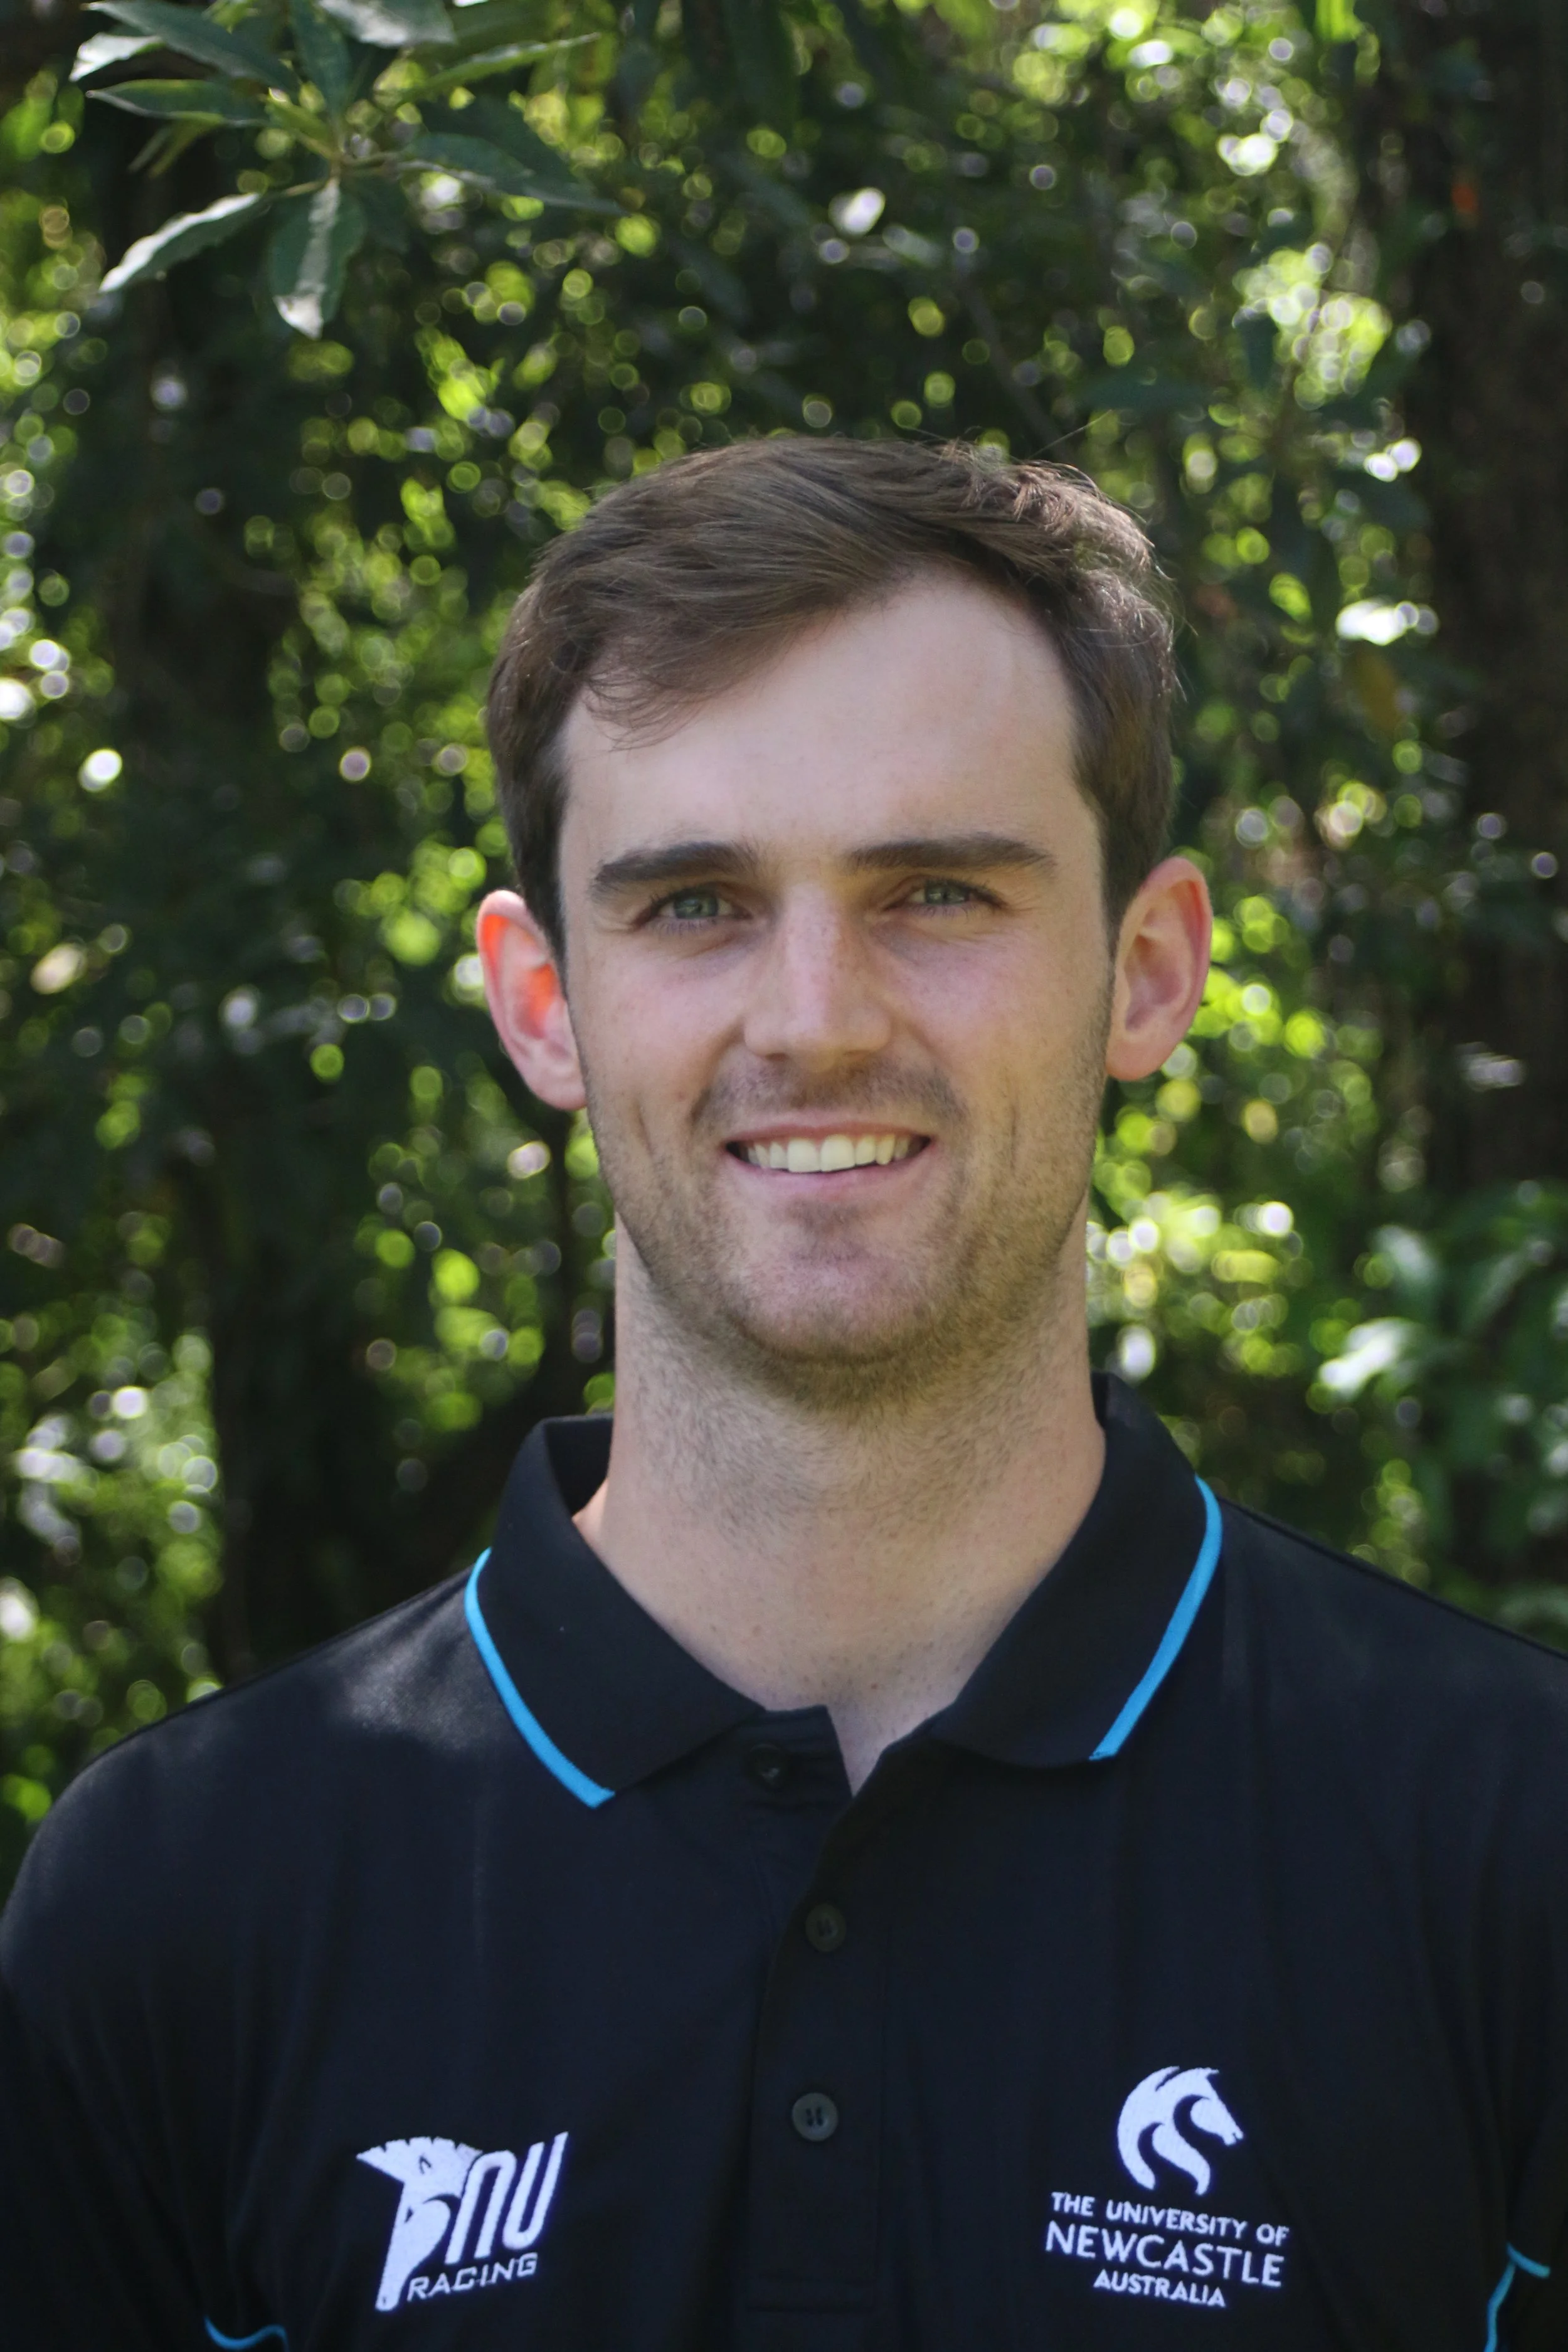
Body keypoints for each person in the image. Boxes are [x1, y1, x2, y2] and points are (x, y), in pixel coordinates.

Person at [3, 438, 1567, 2352]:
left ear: (1145, 971)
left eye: (936, 891)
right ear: (542, 1002)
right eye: (693, 903)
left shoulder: (1509, 1842)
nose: (815, 1017)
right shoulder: (182, 1900)